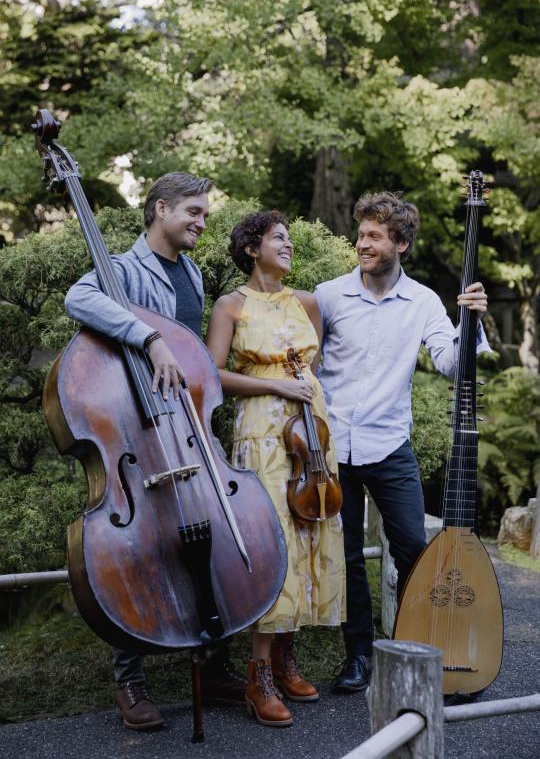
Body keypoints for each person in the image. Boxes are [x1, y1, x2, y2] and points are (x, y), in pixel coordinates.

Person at [65, 172, 246, 730]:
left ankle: (213, 662)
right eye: (192, 211)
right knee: (140, 551)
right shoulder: (122, 269)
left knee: (208, 535)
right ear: (160, 208)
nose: (200, 222)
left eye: (206, 215)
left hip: (184, 432)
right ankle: (130, 679)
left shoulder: (190, 271)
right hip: (138, 437)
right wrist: (148, 337)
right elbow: (78, 297)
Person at [314, 191, 490, 694]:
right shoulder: (327, 296)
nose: (362, 244)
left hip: (390, 447)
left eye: (374, 236)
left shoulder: (423, 303)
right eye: (361, 234)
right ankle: (359, 655)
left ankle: (412, 642)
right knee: (345, 554)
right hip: (333, 450)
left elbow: (452, 363)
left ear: (402, 244)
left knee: (414, 546)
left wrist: (471, 320)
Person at [205, 209, 346, 727]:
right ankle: (257, 675)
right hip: (263, 432)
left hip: (312, 432)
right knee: (274, 544)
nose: (287, 245)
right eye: (277, 238)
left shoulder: (307, 302)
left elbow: (311, 366)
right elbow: (213, 376)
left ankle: (286, 660)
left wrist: (300, 393)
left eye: (288, 238)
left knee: (310, 535)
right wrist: (276, 385)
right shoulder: (230, 306)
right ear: (251, 248)